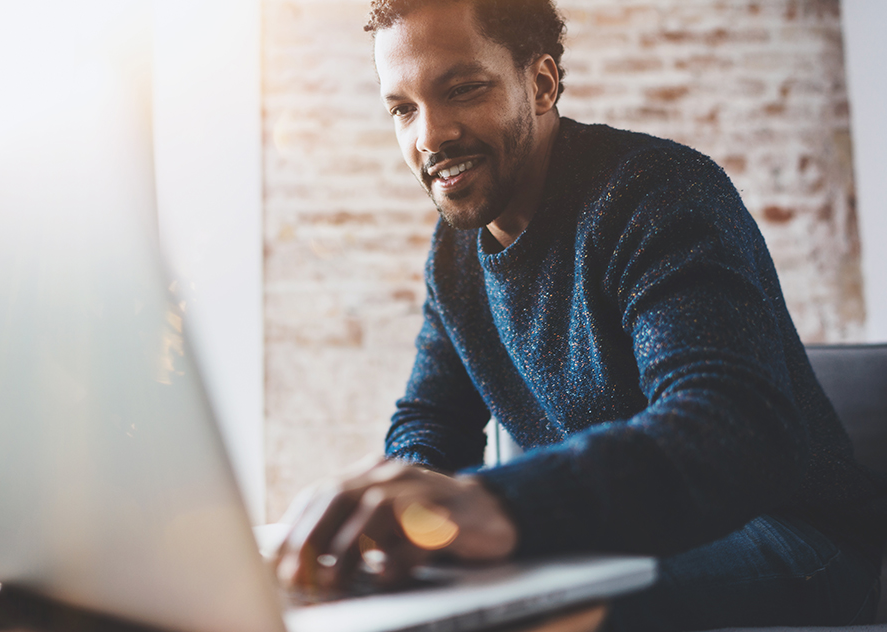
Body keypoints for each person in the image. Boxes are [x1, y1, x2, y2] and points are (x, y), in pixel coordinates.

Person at [275, 0, 887, 629]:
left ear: (540, 84)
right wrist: (401, 515)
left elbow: (731, 427)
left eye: (462, 90)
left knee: (542, 615)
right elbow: (432, 420)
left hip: (805, 539)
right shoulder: (455, 253)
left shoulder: (657, 193)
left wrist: (496, 505)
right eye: (403, 108)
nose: (429, 135)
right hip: (616, 541)